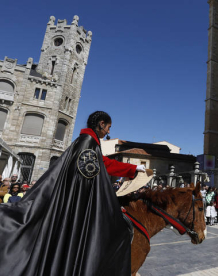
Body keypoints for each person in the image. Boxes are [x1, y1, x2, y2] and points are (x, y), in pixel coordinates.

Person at [0, 111, 146, 276]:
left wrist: (133, 168)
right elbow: (90, 173)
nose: (108, 132)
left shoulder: (85, 142)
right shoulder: (88, 142)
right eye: (108, 127)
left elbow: (102, 163)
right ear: (101, 123)